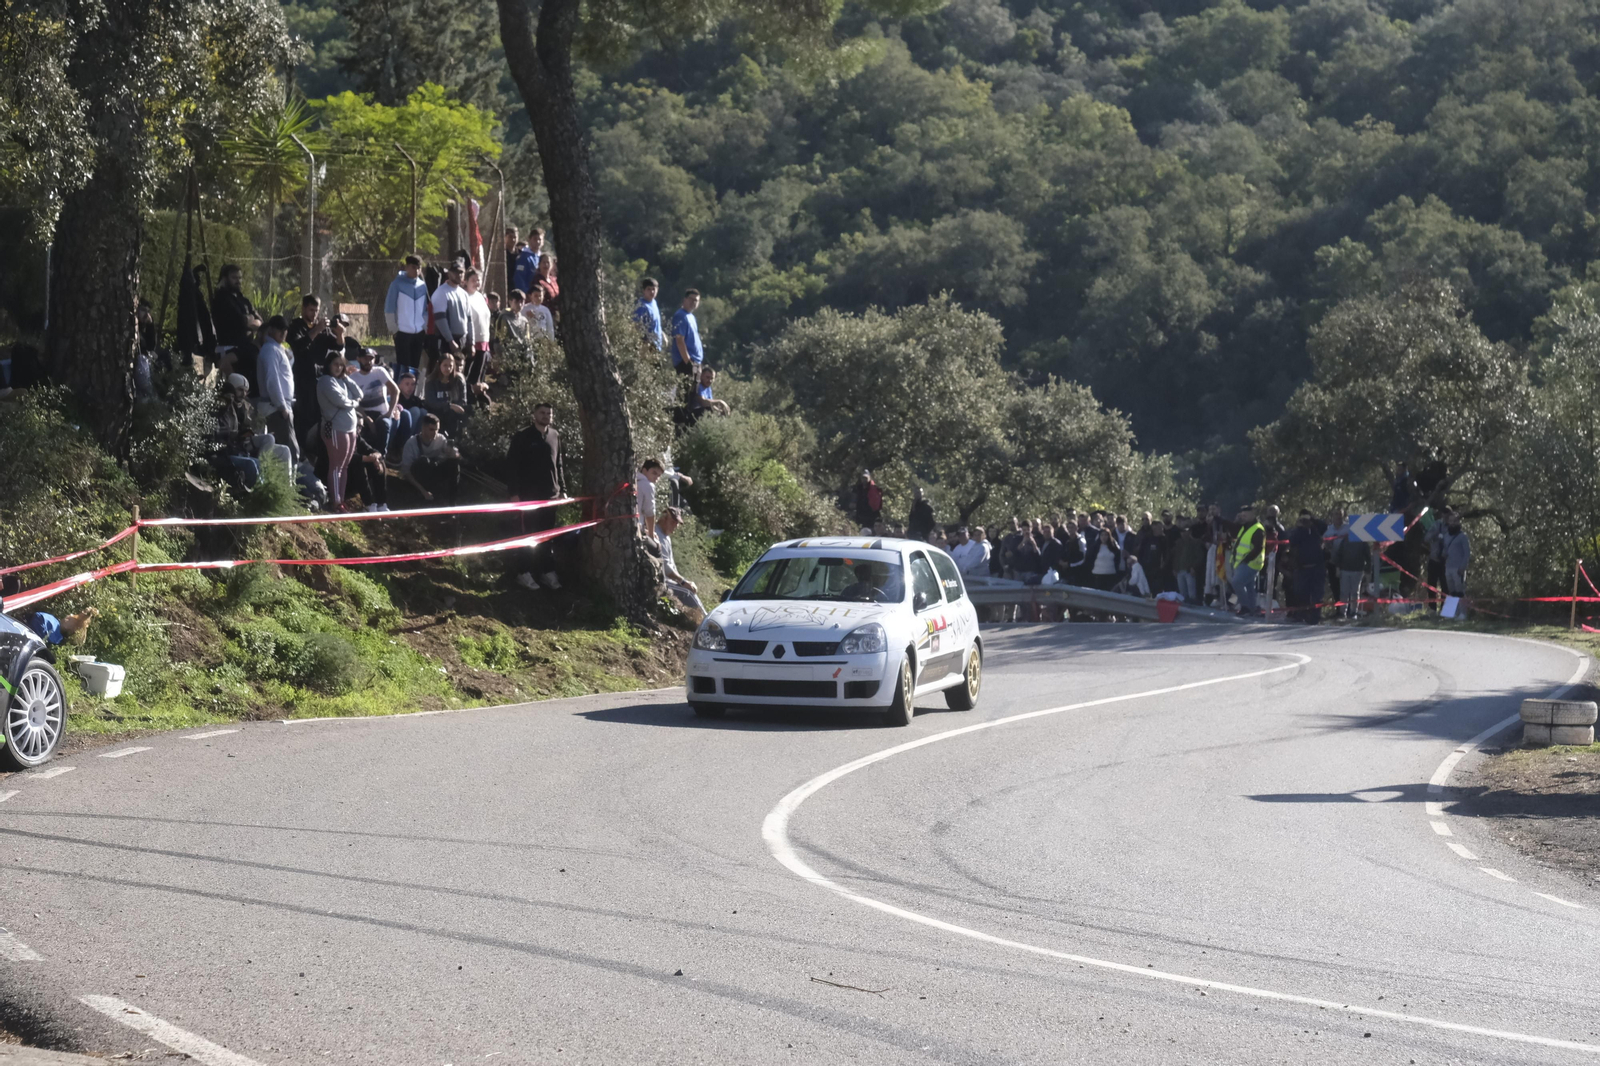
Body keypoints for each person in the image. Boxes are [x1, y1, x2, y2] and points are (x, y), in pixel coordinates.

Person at [507, 402, 567, 591]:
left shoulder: (555, 435)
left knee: (547, 536)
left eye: (549, 413)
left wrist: (563, 489)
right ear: (534, 415)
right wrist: (514, 493)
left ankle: (546, 571)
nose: (546, 416)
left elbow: (559, 464)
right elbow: (512, 466)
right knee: (528, 535)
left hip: (551, 496)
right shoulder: (522, 436)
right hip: (528, 497)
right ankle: (523, 572)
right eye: (542, 412)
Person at [316, 350, 363, 511]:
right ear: (328, 365)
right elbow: (340, 401)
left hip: (350, 428)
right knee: (336, 466)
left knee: (344, 466)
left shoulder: (342, 380)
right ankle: (335, 502)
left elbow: (359, 393)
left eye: (341, 365)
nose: (338, 368)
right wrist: (354, 403)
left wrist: (346, 377)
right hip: (336, 428)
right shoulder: (325, 381)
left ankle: (341, 499)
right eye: (335, 364)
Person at [210, 264, 261, 384]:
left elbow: (260, 321)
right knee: (237, 384)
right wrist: (249, 320)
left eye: (240, 278)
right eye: (234, 278)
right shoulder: (222, 299)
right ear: (224, 279)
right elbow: (239, 322)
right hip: (230, 348)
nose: (238, 281)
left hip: (246, 348)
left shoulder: (243, 299)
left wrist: (249, 321)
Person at [257, 316, 297, 463]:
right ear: (271, 329)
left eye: (285, 329)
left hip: (281, 407)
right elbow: (272, 381)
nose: (283, 332)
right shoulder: (270, 350)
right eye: (279, 329)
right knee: (287, 453)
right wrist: (282, 408)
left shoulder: (278, 349)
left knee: (290, 452)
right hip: (275, 408)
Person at [348, 346, 400, 454]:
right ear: (359, 359)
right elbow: (354, 402)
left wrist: (390, 412)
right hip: (363, 413)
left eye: (371, 358)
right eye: (365, 358)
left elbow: (395, 390)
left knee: (383, 424)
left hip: (382, 414)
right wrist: (367, 419)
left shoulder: (379, 372)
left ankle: (381, 457)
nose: (368, 361)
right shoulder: (353, 377)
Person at [400, 414, 461, 504]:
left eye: (437, 430)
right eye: (431, 430)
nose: (435, 433)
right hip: (418, 477)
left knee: (454, 464)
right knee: (423, 461)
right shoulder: (411, 444)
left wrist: (453, 453)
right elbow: (406, 473)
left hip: (434, 473)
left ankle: (452, 502)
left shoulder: (440, 439)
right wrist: (423, 491)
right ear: (423, 428)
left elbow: (454, 454)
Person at [385, 255, 430, 375]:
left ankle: (413, 387)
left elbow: (424, 309)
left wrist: (424, 327)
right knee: (403, 369)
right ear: (406, 267)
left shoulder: (422, 285)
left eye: (419, 268)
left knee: (415, 368)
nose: (416, 271)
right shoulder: (397, 284)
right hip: (402, 332)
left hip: (419, 333)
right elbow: (389, 308)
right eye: (413, 267)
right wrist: (394, 329)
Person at [656, 506, 704, 613]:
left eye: (677, 523)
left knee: (689, 591)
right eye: (673, 522)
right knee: (688, 593)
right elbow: (666, 568)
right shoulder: (657, 535)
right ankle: (705, 620)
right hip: (661, 582)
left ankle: (704, 618)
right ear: (664, 518)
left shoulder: (666, 536)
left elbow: (672, 566)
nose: (676, 526)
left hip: (670, 582)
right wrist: (683, 582)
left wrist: (684, 581)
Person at [1287, 510, 1326, 624]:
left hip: (1317, 567)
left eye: (1306, 519)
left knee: (1317, 594)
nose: (1305, 521)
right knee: (1301, 593)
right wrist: (1300, 527)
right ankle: (1302, 615)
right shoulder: (1297, 531)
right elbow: (1292, 541)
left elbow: (1324, 526)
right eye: (1302, 519)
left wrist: (1312, 519)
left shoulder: (1316, 529)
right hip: (1302, 568)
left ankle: (1315, 618)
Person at [461, 269, 493, 406]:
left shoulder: (480, 296)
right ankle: (468, 402)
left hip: (484, 341)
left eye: (478, 280)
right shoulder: (464, 296)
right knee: (470, 375)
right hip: (472, 342)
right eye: (473, 280)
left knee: (480, 375)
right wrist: (470, 342)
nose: (476, 283)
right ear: (466, 281)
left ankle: (479, 401)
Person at [423, 351, 469, 436]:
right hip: (436, 412)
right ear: (439, 365)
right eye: (445, 365)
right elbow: (431, 402)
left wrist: (455, 407)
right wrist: (449, 406)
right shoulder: (431, 381)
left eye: (450, 366)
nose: (448, 368)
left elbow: (463, 401)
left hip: (454, 414)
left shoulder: (458, 380)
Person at [431, 264, 470, 363]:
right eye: (456, 272)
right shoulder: (441, 292)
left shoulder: (464, 294)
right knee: (446, 369)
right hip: (447, 341)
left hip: (462, 340)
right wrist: (450, 341)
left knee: (459, 370)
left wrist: (471, 341)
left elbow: (469, 319)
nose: (459, 275)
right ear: (449, 273)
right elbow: (440, 319)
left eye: (461, 272)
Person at [1332, 523, 1371, 619]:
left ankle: (1354, 612)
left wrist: (1368, 571)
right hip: (1345, 570)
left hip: (1358, 570)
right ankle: (1342, 613)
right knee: (1344, 592)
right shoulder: (1345, 540)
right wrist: (1338, 568)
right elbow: (1339, 554)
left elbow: (1368, 557)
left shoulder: (1362, 541)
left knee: (1355, 592)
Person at [1231, 507, 1266, 616]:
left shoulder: (1258, 529)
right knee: (1250, 587)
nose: (1243, 517)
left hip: (1251, 563)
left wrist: (1246, 559)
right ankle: (1253, 608)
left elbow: (1258, 548)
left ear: (1253, 514)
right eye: (1242, 515)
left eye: (1245, 515)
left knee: (1236, 582)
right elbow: (1233, 533)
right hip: (1242, 562)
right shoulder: (1245, 527)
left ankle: (1245, 607)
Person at [493, 290, 535, 372]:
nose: (520, 305)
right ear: (510, 302)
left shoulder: (524, 321)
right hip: (508, 356)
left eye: (522, 302)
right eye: (516, 302)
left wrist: (530, 358)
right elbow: (499, 340)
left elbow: (527, 340)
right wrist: (502, 359)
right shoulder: (504, 318)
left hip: (522, 357)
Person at [671, 289, 703, 377]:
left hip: (695, 361)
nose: (693, 302)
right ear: (684, 299)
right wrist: (688, 362)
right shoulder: (681, 316)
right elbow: (679, 340)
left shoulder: (691, 317)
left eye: (696, 300)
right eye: (691, 299)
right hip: (685, 362)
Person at [1442, 513, 1471, 602]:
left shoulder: (1463, 537)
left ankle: (1462, 610)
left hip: (1458, 569)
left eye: (1455, 521)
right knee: (1451, 592)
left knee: (1460, 592)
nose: (1453, 523)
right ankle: (1452, 610)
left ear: (1458, 522)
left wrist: (1462, 567)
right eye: (1451, 521)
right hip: (1448, 567)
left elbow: (1467, 553)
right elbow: (1445, 549)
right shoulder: (1446, 536)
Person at [1083, 527, 1122, 591]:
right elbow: (1090, 560)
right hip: (1097, 574)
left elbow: (1118, 559)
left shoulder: (1114, 547)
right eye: (1102, 535)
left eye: (1106, 535)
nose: (1104, 537)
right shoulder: (1094, 547)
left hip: (1111, 574)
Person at [633, 277, 664, 351]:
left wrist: (663, 334)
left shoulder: (654, 303)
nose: (652, 292)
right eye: (649, 289)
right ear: (644, 290)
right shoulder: (641, 306)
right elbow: (635, 325)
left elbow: (655, 323)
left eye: (653, 289)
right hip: (647, 346)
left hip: (657, 344)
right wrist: (643, 343)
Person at [636, 458, 664, 539]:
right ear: (644, 471)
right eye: (654, 473)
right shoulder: (648, 485)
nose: (656, 478)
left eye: (659, 476)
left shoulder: (634, 481)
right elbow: (649, 513)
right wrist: (651, 535)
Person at [511, 228, 544, 295]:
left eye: (540, 239)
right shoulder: (524, 257)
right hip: (529, 295)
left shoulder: (542, 257)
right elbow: (519, 278)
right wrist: (526, 294)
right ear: (529, 240)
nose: (537, 242)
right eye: (535, 239)